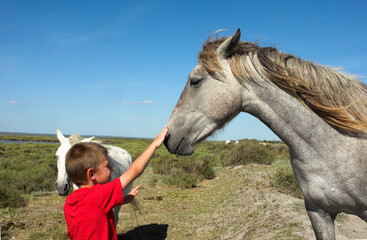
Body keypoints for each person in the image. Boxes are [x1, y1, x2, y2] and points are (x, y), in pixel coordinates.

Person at [63, 126, 168, 240]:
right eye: (107, 166)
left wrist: (123, 200)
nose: (112, 168)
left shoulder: (70, 202)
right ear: (92, 174)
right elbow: (135, 170)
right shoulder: (99, 195)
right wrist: (154, 145)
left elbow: (93, 213)